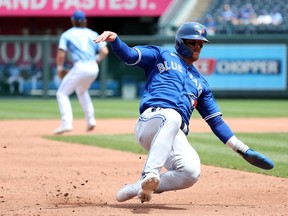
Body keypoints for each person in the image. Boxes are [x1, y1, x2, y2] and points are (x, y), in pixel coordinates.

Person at [94, 22, 274, 203]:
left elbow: (216, 122)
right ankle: (150, 173)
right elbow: (130, 55)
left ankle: (139, 186)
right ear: (180, 42)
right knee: (172, 116)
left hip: (173, 132)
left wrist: (243, 150)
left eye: (200, 44)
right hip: (151, 120)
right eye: (192, 42)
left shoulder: (201, 82)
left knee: (190, 172)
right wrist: (116, 40)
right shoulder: (161, 55)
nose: (197, 47)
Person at [54, 10, 109, 135]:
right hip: (93, 67)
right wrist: (96, 60)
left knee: (61, 93)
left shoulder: (67, 34)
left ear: (73, 21)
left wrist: (59, 69)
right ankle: (91, 120)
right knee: (82, 91)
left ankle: (66, 124)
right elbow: (105, 51)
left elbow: (61, 53)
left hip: (80, 66)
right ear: (85, 21)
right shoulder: (93, 33)